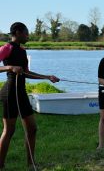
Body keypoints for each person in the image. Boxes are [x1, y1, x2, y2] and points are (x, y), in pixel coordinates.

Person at [0, 22, 60, 169]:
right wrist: (10, 67)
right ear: (18, 32)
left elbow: (27, 72)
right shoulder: (6, 48)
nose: (28, 35)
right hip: (10, 92)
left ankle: (31, 164)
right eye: (26, 33)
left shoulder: (22, 50)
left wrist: (47, 77)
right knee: (9, 130)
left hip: (21, 92)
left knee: (32, 129)